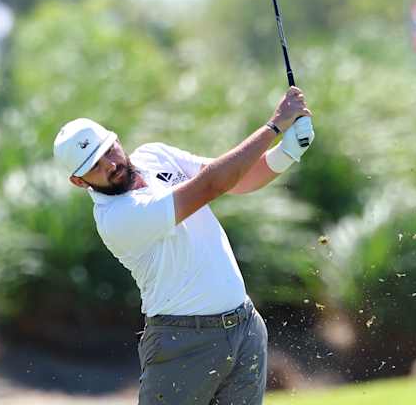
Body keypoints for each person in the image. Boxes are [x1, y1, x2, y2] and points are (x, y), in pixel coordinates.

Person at [52, 87, 313, 405]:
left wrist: (287, 152)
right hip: (183, 341)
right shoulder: (117, 217)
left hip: (245, 329)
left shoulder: (154, 155)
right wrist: (274, 126)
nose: (109, 164)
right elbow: (211, 185)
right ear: (79, 181)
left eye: (109, 151)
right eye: (94, 165)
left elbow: (237, 179)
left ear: (116, 139)